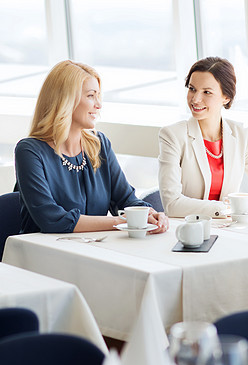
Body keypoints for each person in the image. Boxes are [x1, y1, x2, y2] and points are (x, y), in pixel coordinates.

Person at [15, 60, 169, 235]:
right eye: (90, 96)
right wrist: (120, 221)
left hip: (92, 248)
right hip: (43, 253)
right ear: (65, 100)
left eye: (98, 95)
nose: (99, 104)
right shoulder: (30, 151)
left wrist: (150, 213)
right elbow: (52, 220)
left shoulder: (99, 144)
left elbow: (126, 199)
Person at [158, 57, 248, 218]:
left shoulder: (241, 134)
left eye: (207, 92)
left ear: (226, 97)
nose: (195, 99)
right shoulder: (172, 135)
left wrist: (240, 206)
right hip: (188, 230)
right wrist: (230, 208)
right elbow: (172, 205)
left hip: (230, 228)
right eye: (192, 89)